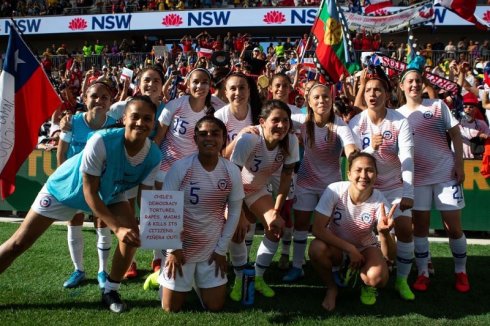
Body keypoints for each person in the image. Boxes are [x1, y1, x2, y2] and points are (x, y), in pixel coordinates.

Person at [0, 96, 162, 313]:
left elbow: (147, 195)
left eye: (147, 119)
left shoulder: (154, 155)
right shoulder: (101, 141)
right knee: (19, 243)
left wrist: (154, 226)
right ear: (124, 119)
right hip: (65, 191)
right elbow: (89, 192)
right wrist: (117, 228)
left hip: (110, 192)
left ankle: (110, 290)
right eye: (135, 117)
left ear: (154, 124)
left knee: (131, 234)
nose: (141, 123)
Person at [158, 116, 244, 312]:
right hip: (181, 248)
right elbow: (165, 208)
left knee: (215, 306)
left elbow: (234, 212)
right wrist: (173, 249)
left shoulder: (231, 171)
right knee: (171, 308)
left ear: (223, 139)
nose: (209, 138)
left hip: (211, 248)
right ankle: (163, 276)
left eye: (215, 134)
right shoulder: (181, 167)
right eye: (203, 134)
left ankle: (197, 281)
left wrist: (221, 250)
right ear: (195, 139)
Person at [397, 60, 470, 293]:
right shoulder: (396, 116)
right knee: (420, 228)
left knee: (453, 228)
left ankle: (461, 272)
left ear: (423, 84)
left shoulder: (438, 106)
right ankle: (423, 273)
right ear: (401, 86)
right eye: (410, 81)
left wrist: (459, 163)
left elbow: (456, 135)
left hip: (445, 174)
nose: (415, 85)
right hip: (417, 179)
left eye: (418, 81)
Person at [349, 65, 416, 301]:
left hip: (394, 185)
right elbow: (353, 160)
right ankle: (365, 276)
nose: (373, 94)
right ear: (364, 94)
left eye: (378, 90)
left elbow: (407, 157)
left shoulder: (401, 121)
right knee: (362, 233)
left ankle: (402, 280)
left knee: (405, 228)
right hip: (367, 187)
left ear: (387, 95)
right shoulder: (356, 122)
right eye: (368, 90)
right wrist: (370, 148)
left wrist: (408, 192)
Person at [283, 83, 356, 282]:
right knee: (300, 225)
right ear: (309, 101)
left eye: (325, 97)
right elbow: (278, 120)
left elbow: (351, 149)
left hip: (331, 187)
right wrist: (255, 129)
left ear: (332, 100)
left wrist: (353, 161)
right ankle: (298, 266)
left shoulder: (339, 124)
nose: (321, 101)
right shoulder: (302, 120)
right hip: (306, 182)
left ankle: (335, 268)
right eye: (316, 97)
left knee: (332, 230)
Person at [308, 151, 397, 311]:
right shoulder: (335, 190)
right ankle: (332, 287)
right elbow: (318, 229)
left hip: (365, 248)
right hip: (337, 247)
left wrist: (383, 233)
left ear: (376, 175)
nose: (364, 175)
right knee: (316, 248)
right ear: (348, 173)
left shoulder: (381, 203)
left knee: (377, 278)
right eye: (358, 170)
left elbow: (390, 256)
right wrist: (349, 249)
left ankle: (365, 283)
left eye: (369, 170)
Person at [230, 99, 299, 298]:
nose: (281, 125)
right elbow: (233, 177)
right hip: (232, 192)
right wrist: (239, 215)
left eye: (285, 121)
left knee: (276, 226)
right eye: (275, 120)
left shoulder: (291, 141)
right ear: (262, 121)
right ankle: (239, 278)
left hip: (256, 190)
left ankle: (258, 277)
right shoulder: (249, 140)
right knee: (238, 230)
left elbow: (286, 178)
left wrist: (276, 210)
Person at [57, 81, 117, 289]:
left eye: (104, 97)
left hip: (101, 184)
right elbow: (62, 152)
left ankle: (102, 271)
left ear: (110, 102)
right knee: (74, 223)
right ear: (84, 98)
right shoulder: (72, 122)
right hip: (74, 184)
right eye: (94, 96)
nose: (99, 100)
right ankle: (79, 270)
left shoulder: (114, 125)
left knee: (102, 224)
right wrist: (66, 181)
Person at [213, 72, 262, 301]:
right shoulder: (220, 116)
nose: (237, 93)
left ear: (249, 91)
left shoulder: (258, 112)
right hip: (225, 178)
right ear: (225, 92)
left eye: (242, 88)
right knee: (234, 227)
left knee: (248, 225)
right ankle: (238, 272)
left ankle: (242, 267)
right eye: (232, 88)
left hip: (254, 177)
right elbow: (216, 153)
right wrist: (240, 136)